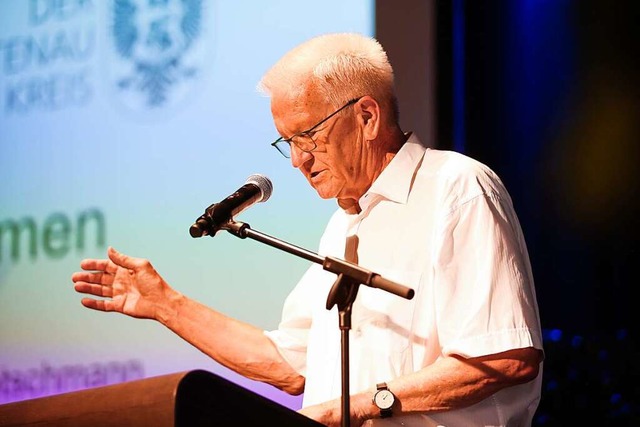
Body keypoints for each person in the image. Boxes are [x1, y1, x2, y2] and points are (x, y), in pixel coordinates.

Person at [72, 33, 544, 426]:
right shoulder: (343, 225)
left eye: (308, 135)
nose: (297, 159)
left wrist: (360, 405)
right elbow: (292, 364)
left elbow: (504, 356)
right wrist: (165, 304)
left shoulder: (455, 188)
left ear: (366, 116)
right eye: (287, 142)